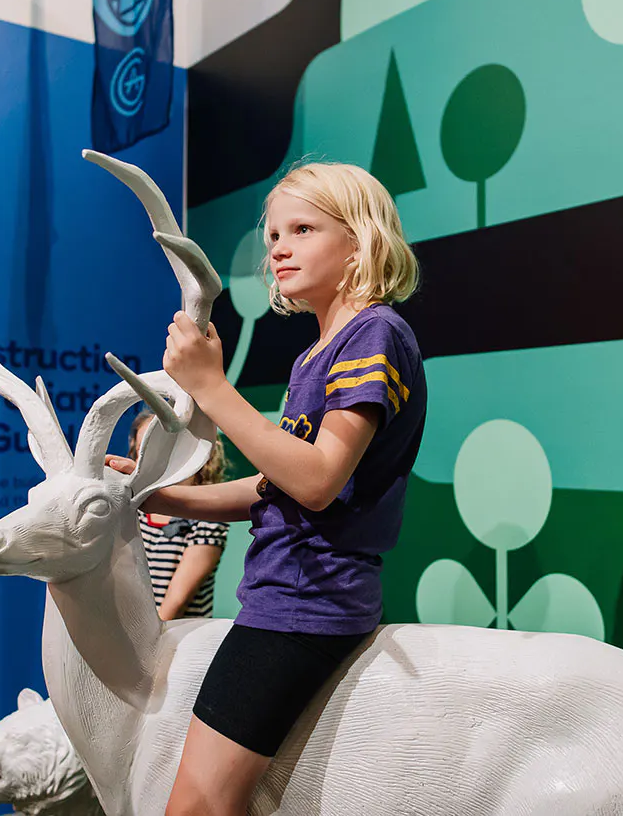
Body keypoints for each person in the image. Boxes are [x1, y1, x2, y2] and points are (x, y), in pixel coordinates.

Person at [108, 162, 425, 816]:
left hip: (305, 605)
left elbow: (315, 481)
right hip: (281, 598)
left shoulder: (375, 332)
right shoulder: (315, 354)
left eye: (302, 228)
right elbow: (272, 487)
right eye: (274, 232)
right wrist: (155, 495)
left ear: (362, 241)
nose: (277, 246)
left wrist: (211, 388)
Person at [128, 409, 230, 619]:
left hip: (181, 642)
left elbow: (177, 601)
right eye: (141, 450)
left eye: (160, 447)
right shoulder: (130, 513)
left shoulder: (207, 516)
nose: (149, 457)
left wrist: (143, 646)